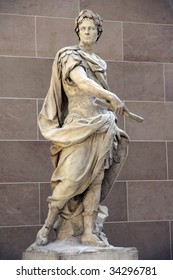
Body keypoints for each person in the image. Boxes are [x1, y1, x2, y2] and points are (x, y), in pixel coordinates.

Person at [36, 9, 129, 247]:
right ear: (78, 31)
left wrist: (111, 112)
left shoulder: (100, 62)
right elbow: (82, 82)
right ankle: (46, 228)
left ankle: (89, 232)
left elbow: (100, 99)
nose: (88, 32)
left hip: (101, 125)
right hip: (77, 126)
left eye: (92, 29)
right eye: (84, 28)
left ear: (99, 33)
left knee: (95, 181)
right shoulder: (69, 55)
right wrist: (112, 96)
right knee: (69, 179)